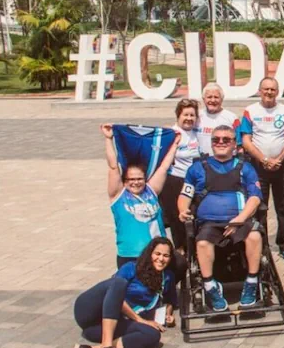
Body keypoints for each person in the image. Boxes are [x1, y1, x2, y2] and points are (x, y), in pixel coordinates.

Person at [178, 125, 265, 311]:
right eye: (216, 139)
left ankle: (251, 283)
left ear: (235, 144)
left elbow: (255, 197)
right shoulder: (197, 168)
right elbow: (185, 195)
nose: (221, 142)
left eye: (226, 139)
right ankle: (210, 287)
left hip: (239, 219)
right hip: (209, 223)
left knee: (255, 236)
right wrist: (182, 209)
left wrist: (239, 219)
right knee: (201, 243)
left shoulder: (246, 168)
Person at [71, 237, 178, 348]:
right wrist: (140, 320)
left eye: (166, 255)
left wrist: (168, 314)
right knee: (118, 283)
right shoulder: (131, 268)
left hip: (102, 328)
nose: (161, 259)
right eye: (157, 254)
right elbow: (114, 294)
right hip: (90, 310)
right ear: (149, 253)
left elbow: (170, 300)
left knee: (152, 335)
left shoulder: (167, 276)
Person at [101, 123, 186, 285]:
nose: (136, 182)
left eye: (139, 178)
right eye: (131, 179)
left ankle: (165, 299)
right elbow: (113, 167)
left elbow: (164, 167)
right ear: (124, 182)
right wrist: (108, 139)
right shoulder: (118, 196)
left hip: (159, 253)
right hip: (131, 254)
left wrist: (174, 144)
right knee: (137, 288)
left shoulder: (151, 191)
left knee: (181, 263)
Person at [240, 77, 284, 261]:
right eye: (265, 89)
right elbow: (246, 141)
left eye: (272, 89)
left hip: (281, 166)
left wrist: (279, 158)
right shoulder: (250, 111)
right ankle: (262, 244)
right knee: (259, 206)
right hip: (258, 166)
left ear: (277, 91)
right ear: (259, 91)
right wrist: (264, 159)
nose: (269, 92)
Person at [160, 99, 201, 253]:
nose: (189, 118)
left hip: (195, 180)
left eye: (192, 115)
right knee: (177, 218)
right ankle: (180, 251)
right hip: (175, 181)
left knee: (194, 215)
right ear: (178, 115)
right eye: (185, 115)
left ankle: (195, 249)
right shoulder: (171, 134)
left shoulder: (197, 133)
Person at [197, 83, 241, 155]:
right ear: (203, 99)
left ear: (222, 99)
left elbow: (239, 144)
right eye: (209, 97)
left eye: (216, 97)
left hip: (226, 162)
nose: (213, 100)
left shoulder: (232, 118)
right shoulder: (197, 116)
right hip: (202, 162)